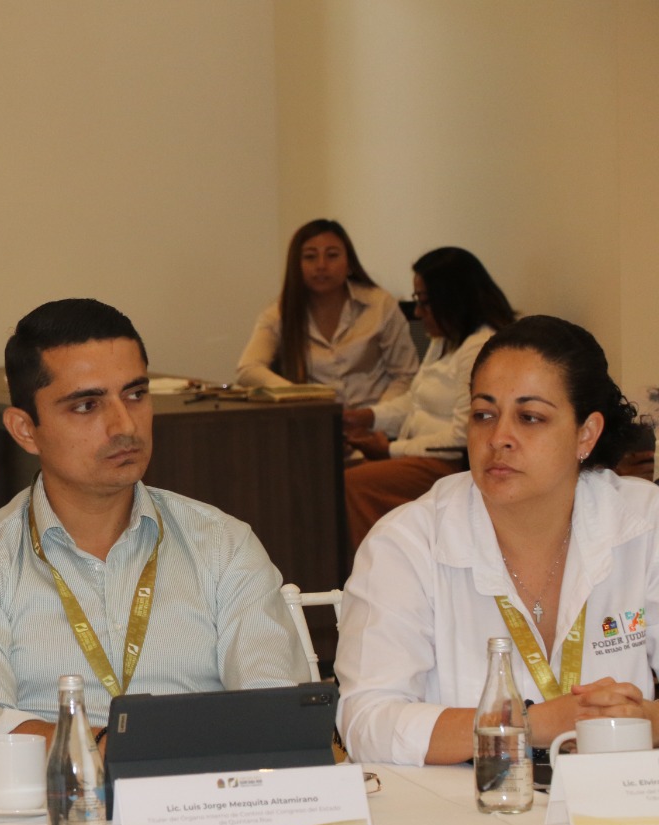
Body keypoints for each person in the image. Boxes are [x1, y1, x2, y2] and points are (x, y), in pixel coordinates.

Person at [0, 298, 309, 781]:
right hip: (48, 811)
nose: (124, 425)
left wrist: (133, 750)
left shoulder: (223, 545)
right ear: (25, 430)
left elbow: (274, 710)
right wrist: (115, 749)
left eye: (135, 394)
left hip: (204, 805)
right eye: (87, 405)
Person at [336, 316, 659, 765]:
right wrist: (530, 723)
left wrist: (642, 719)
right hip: (464, 802)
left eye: (530, 418)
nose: (499, 438)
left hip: (618, 800)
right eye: (483, 415)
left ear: (586, 434)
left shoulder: (644, 523)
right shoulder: (406, 542)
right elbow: (366, 722)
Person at [341, 247, 516, 549]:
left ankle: (381, 564)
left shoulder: (479, 347)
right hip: (417, 454)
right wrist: (369, 417)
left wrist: (391, 450)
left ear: (451, 299)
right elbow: (414, 399)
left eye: (424, 302)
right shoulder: (443, 340)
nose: (418, 313)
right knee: (342, 475)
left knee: (354, 484)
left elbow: (462, 436)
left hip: (449, 463)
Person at [235, 219, 418, 407]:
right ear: (296, 266)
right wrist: (294, 394)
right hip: (314, 419)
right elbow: (248, 369)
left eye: (332, 255)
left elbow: (405, 375)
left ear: (349, 264)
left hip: (379, 419)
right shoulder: (279, 314)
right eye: (310, 257)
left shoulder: (380, 304)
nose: (321, 265)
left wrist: (375, 417)